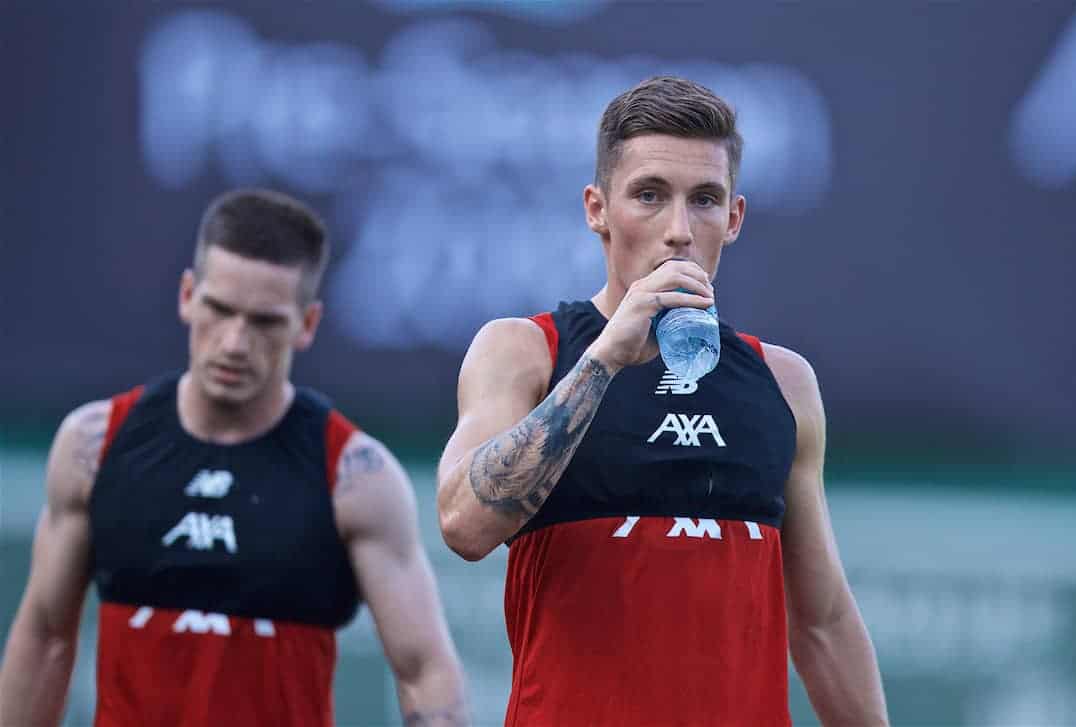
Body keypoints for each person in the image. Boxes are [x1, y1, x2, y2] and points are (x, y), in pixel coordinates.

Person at [437, 76, 889, 726]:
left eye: (704, 200)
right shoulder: (527, 351)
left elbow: (821, 622)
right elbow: (463, 524)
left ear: (733, 218)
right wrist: (606, 358)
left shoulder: (781, 381)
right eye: (649, 195)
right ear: (597, 208)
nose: (679, 229)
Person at [0, 189, 468, 727]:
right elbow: (45, 637)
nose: (234, 343)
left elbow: (425, 671)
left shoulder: (354, 477)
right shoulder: (94, 446)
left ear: (307, 324)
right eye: (219, 310)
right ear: (186, 296)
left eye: (265, 322)